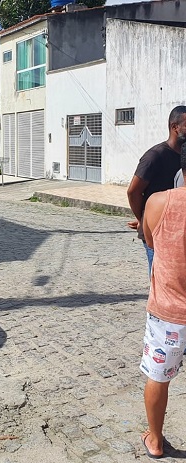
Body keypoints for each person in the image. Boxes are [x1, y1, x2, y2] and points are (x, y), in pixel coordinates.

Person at [138, 150, 186, 459]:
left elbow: (151, 242)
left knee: (158, 378)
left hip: (168, 313)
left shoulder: (158, 202)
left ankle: (154, 440)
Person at [127, 106, 186, 275]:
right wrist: (143, 219)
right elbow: (133, 192)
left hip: (177, 229)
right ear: (175, 127)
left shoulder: (183, 155)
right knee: (160, 280)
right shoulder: (155, 156)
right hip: (155, 232)